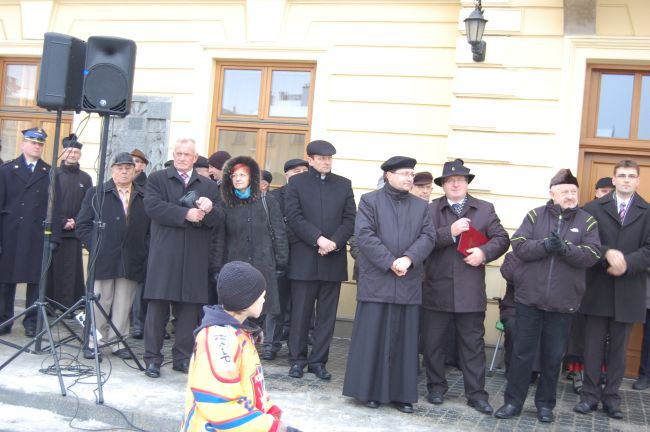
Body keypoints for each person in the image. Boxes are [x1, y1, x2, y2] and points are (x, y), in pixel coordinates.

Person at [494, 169, 601, 423]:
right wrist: (544, 246)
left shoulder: (587, 221)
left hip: (563, 303)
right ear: (552, 193)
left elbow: (592, 254)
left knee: (553, 358)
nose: (570, 195)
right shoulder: (534, 216)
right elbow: (518, 243)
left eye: (573, 191)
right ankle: (513, 402)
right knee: (521, 354)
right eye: (564, 191)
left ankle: (545, 405)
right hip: (529, 299)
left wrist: (566, 249)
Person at [343, 156, 435, 413]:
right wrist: (390, 261)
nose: (409, 178)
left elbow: (429, 237)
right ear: (388, 175)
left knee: (404, 340)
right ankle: (368, 391)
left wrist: (409, 258)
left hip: (407, 281)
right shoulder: (370, 201)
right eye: (405, 173)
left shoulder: (421, 207)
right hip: (378, 280)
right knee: (373, 338)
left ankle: (401, 393)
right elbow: (365, 235)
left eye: (411, 174)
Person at [421, 159, 509, 414]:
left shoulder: (484, 209)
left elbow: (502, 239)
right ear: (444, 185)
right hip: (436, 288)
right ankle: (436, 387)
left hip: (470, 291)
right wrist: (449, 231)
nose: (455, 183)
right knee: (433, 343)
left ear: (467, 183)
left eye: (460, 179)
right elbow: (422, 241)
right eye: (450, 180)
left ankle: (477, 394)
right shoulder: (430, 210)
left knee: (472, 344)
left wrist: (484, 252)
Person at [180, 261, 300, 432]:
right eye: (261, 295)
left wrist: (269, 412)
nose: (264, 299)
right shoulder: (219, 339)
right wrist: (273, 428)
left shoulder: (238, 334)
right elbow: (219, 402)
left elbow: (244, 390)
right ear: (247, 300)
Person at [575, 160, 650, 419]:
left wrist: (627, 263)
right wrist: (608, 254)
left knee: (618, 350)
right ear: (614, 180)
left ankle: (612, 399)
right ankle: (589, 397)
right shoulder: (593, 208)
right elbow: (584, 242)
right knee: (593, 347)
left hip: (630, 290)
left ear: (638, 180)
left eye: (631, 176)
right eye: (622, 175)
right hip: (598, 287)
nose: (627, 180)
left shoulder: (648, 211)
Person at [142, 138, 222, 378]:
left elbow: (219, 221)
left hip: (194, 257)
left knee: (189, 312)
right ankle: (153, 359)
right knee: (157, 310)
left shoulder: (208, 186)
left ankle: (183, 358)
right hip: (165, 255)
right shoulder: (157, 179)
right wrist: (185, 213)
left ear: (195, 158)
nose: (181, 158)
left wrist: (210, 210)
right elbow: (153, 207)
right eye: (178, 153)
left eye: (186, 154)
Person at [285, 140, 356, 380]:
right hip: (305, 258)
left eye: (329, 158)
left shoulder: (343, 184)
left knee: (326, 316)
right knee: (300, 314)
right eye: (321, 158)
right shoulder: (296, 183)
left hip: (333, 259)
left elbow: (350, 219)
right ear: (311, 160)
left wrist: (334, 241)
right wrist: (319, 239)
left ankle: (319, 362)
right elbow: (294, 217)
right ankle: (297, 360)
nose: (326, 162)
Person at [76, 152, 150, 360]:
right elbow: (82, 225)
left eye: (128, 168)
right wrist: (96, 246)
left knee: (123, 304)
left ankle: (118, 342)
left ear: (135, 170)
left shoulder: (143, 195)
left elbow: (150, 230)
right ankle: (93, 341)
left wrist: (143, 249)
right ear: (112, 170)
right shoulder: (97, 193)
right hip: (103, 259)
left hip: (132, 259)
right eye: (120, 168)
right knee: (100, 302)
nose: (124, 171)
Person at [214, 156, 288, 357]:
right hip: (234, 267)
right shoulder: (225, 203)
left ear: (252, 177)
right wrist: (216, 267)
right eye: (234, 175)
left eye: (242, 175)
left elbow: (279, 232)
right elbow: (220, 238)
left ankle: (251, 356)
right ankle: (233, 355)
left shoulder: (267, 201)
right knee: (236, 315)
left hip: (263, 266)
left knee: (259, 314)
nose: (237, 179)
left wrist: (281, 261)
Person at [564, 176, 615, 393]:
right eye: (602, 190)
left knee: (604, 335)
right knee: (579, 332)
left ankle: (600, 373)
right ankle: (577, 372)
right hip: (583, 278)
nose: (606, 194)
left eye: (609, 191)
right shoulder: (585, 212)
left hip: (609, 279)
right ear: (595, 192)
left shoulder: (620, 215)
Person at [0, 128, 51, 337]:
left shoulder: (49, 172)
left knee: (35, 281)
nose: (37, 146)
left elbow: (53, 207)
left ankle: (32, 321)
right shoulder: (7, 170)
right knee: (5, 279)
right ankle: (4, 320)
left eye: (40, 144)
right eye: (32, 143)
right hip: (11, 232)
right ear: (23, 145)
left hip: (36, 234)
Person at [263, 158, 309, 360]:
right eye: (296, 171)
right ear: (287, 174)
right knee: (275, 303)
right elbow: (271, 227)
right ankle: (270, 345)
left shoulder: (311, 196)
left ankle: (297, 346)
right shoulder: (273, 197)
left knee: (302, 305)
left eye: (304, 171)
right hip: (277, 256)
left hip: (303, 256)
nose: (300, 174)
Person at [46, 134, 92, 311]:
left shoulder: (85, 178)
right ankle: (50, 305)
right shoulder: (53, 174)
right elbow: (49, 202)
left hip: (75, 232)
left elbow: (88, 204)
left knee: (72, 271)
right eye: (70, 151)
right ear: (63, 152)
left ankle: (69, 306)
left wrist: (77, 221)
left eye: (76, 152)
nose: (73, 155)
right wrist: (62, 221)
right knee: (53, 269)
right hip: (56, 231)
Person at [129, 148, 149, 339]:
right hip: (123, 243)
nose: (134, 165)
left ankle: (137, 322)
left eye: (138, 161)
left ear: (143, 166)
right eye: (131, 161)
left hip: (142, 243)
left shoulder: (148, 186)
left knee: (139, 286)